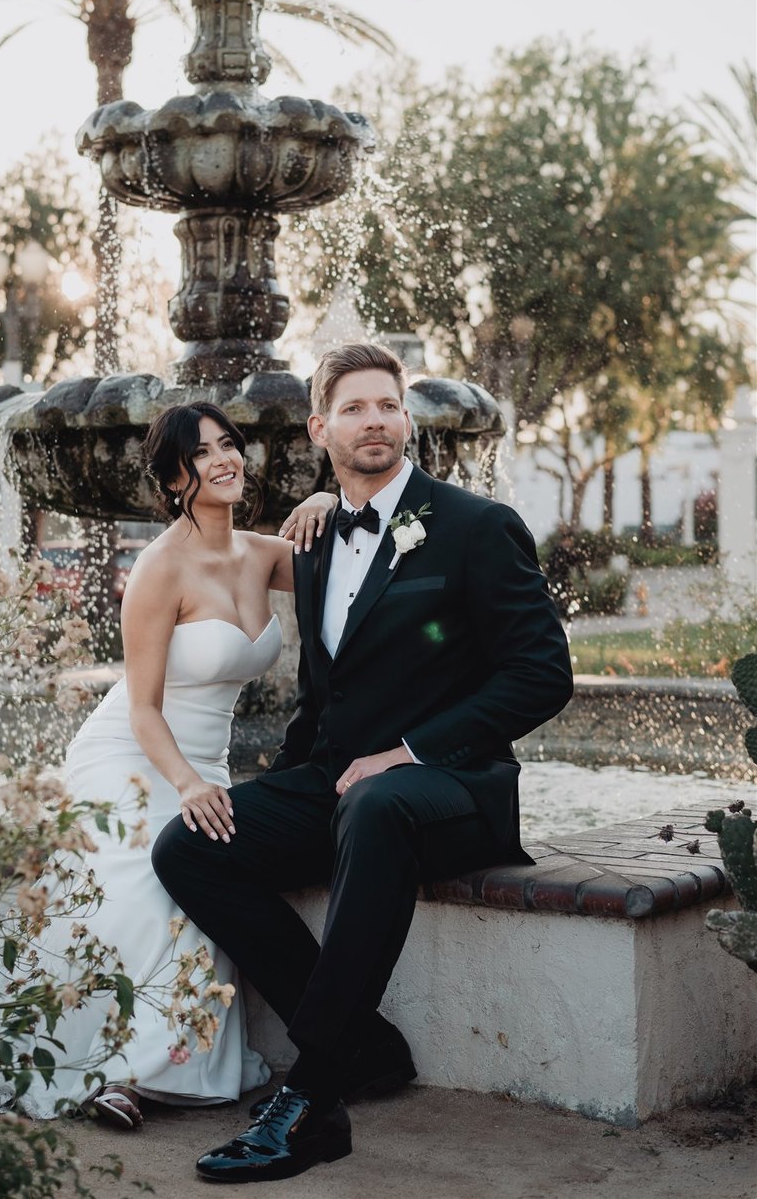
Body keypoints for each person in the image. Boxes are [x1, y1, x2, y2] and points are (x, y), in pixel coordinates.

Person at [152, 343, 575, 1182]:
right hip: (341, 787)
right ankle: (364, 1043)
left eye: (387, 405)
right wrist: (282, 782)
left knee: (377, 804)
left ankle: (312, 1094)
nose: (374, 419)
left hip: (452, 790)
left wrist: (408, 753)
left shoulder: (475, 526)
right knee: (189, 846)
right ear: (321, 428)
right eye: (354, 408)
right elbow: (325, 695)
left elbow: (542, 676)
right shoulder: (312, 541)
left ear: (405, 420)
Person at [0, 401, 334, 1129]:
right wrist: (187, 784)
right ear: (173, 480)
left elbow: (347, 545)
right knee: (146, 894)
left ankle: (160, 1070)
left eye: (230, 445)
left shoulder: (262, 553)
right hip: (134, 757)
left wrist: (322, 496)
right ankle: (114, 1076)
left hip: (205, 763)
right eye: (202, 453)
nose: (225, 459)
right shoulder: (159, 569)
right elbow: (142, 707)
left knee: (208, 882)